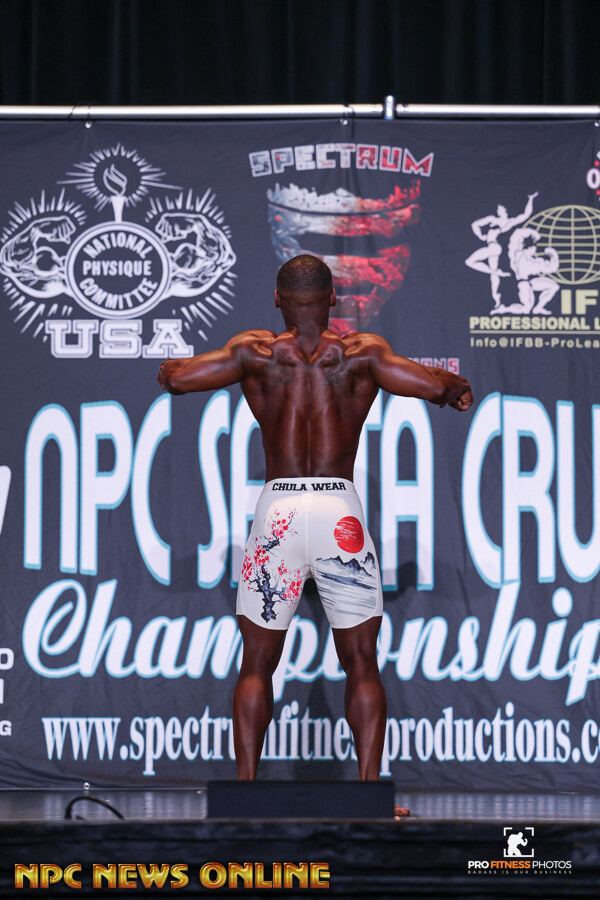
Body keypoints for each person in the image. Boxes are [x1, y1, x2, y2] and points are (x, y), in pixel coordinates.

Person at [158, 254, 474, 788]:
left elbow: (177, 379)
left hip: (278, 511)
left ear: (277, 299)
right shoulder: (363, 353)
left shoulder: (253, 352)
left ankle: (245, 795)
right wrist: (455, 386)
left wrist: (172, 368)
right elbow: (434, 387)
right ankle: (370, 792)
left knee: (257, 662)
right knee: (362, 661)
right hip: (337, 511)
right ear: (333, 299)